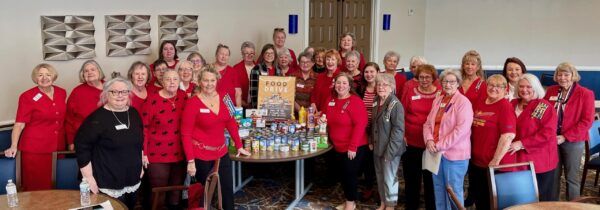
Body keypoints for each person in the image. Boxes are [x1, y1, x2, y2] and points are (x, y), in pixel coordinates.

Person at [182, 67, 250, 210]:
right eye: (205, 80)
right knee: (204, 196)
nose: (209, 83)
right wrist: (190, 161)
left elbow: (231, 122)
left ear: (217, 81)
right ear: (199, 82)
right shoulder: (192, 103)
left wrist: (239, 146)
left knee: (226, 190)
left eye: (212, 80)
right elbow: (186, 133)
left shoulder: (225, 97)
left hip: (221, 153)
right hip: (201, 155)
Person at [75, 77, 144, 209]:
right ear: (106, 94)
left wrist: (140, 165)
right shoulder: (96, 118)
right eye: (114, 92)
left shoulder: (134, 113)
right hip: (106, 180)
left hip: (132, 178)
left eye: (124, 91)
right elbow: (82, 148)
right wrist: (88, 178)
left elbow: (139, 142)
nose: (120, 95)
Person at [4, 64, 66, 191]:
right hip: (35, 150)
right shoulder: (27, 96)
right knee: (36, 188)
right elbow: (19, 124)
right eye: (40, 75)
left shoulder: (61, 92)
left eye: (48, 75)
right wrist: (14, 145)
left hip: (57, 147)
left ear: (53, 77)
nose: (44, 78)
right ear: (35, 78)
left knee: (58, 186)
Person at [423, 68, 473, 210]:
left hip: (455, 156)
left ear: (458, 83)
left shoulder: (463, 102)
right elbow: (427, 124)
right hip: (435, 153)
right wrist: (429, 140)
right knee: (439, 190)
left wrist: (439, 145)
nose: (448, 84)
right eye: (445, 81)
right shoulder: (438, 100)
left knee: (453, 193)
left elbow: (461, 130)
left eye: (452, 81)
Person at [544, 62, 595, 200]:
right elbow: (543, 112)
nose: (562, 78)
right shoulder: (551, 91)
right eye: (559, 74)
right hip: (552, 140)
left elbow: (587, 121)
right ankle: (552, 206)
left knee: (572, 178)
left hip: (573, 140)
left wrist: (565, 137)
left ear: (573, 76)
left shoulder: (585, 94)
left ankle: (573, 206)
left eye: (566, 74)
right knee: (553, 176)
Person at [320, 73, 369, 210]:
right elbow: (325, 115)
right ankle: (348, 199)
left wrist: (353, 147)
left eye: (344, 83)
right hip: (337, 146)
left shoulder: (355, 101)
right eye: (338, 83)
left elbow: (361, 125)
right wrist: (322, 119)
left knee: (349, 175)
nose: (340, 86)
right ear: (334, 84)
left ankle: (350, 204)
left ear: (349, 86)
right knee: (343, 175)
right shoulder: (331, 99)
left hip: (354, 147)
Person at [469, 75, 517, 210]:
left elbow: (507, 136)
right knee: (480, 198)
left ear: (505, 89)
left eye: (498, 86)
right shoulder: (480, 102)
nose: (494, 88)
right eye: (491, 85)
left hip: (493, 164)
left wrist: (495, 160)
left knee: (491, 202)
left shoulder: (505, 106)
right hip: (476, 161)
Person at [509, 73, 558, 201]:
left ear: (535, 88)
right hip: (516, 159)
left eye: (528, 87)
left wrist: (521, 143)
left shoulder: (543, 106)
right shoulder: (512, 103)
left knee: (539, 198)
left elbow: (546, 134)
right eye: (521, 86)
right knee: (520, 196)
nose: (524, 90)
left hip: (539, 159)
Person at [141, 70, 186, 209]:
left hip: (180, 152)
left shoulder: (184, 97)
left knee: (176, 191)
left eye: (175, 79)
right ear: (162, 81)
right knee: (158, 193)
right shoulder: (151, 100)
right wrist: (144, 153)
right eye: (168, 79)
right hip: (157, 154)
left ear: (179, 82)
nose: (172, 82)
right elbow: (144, 129)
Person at [400, 64, 439, 210]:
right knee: (411, 178)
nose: (424, 80)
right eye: (421, 77)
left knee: (430, 178)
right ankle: (411, 205)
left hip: (431, 143)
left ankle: (432, 206)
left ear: (433, 78)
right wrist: (402, 133)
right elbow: (401, 113)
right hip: (411, 141)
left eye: (427, 77)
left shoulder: (440, 93)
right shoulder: (410, 91)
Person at [370, 73, 405, 210]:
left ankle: (390, 206)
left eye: (385, 85)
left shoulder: (395, 105)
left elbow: (398, 131)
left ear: (392, 87)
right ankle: (383, 202)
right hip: (377, 147)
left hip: (391, 150)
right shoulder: (375, 100)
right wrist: (371, 141)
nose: (381, 87)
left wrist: (389, 153)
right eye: (379, 84)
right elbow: (373, 124)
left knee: (389, 179)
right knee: (379, 176)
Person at [65, 60, 105, 151]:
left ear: (99, 71)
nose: (89, 72)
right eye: (86, 71)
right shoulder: (77, 92)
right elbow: (69, 119)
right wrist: (70, 141)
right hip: (85, 139)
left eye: (92, 69)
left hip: (109, 137)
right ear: (83, 75)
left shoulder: (111, 87)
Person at [357, 62, 379, 200]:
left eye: (372, 72)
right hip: (362, 128)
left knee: (373, 159)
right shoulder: (360, 88)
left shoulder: (381, 88)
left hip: (376, 129)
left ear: (377, 73)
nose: (369, 74)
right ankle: (366, 184)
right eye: (366, 72)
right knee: (364, 158)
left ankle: (371, 186)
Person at [248, 44, 278, 108]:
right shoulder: (256, 69)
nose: (269, 55)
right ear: (263, 55)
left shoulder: (278, 70)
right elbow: (253, 92)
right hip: (262, 107)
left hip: (276, 107)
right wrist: (257, 109)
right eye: (267, 53)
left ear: (275, 55)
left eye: (272, 53)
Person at [232, 41, 256, 107]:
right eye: (246, 53)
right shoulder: (236, 68)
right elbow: (232, 89)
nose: (249, 55)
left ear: (254, 53)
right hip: (241, 105)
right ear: (242, 54)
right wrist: (242, 102)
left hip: (256, 106)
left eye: (251, 53)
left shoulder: (259, 67)